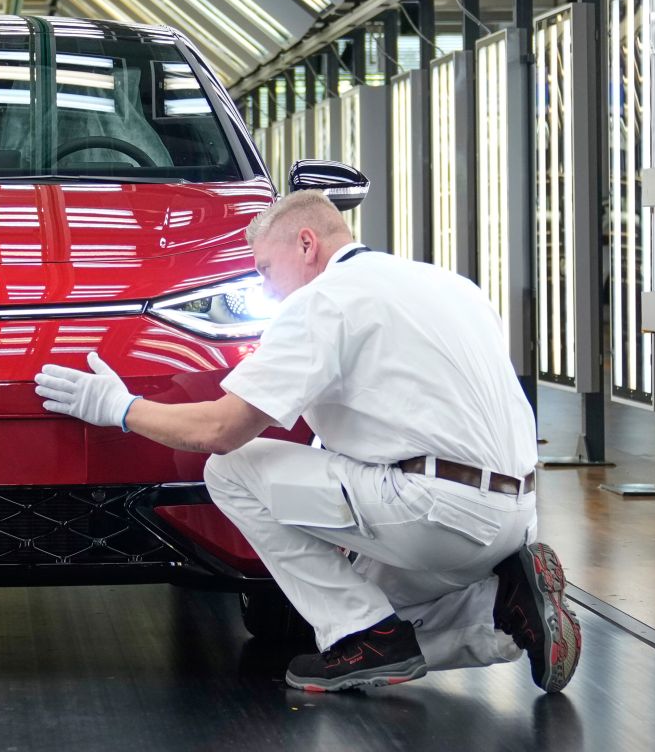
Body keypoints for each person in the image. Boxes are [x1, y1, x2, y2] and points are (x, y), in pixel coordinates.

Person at [35, 187, 578, 696]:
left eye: (265, 270)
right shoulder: (450, 285)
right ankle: (506, 612)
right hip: (516, 518)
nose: (267, 290)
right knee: (377, 604)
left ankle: (366, 635)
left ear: (306, 243)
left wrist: (119, 408)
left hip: (435, 514)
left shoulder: (323, 300)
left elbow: (221, 431)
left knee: (233, 469)